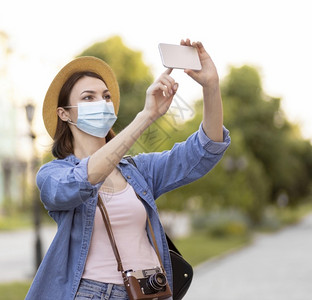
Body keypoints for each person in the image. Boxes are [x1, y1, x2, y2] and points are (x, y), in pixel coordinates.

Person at [25, 39, 231, 300]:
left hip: (150, 292)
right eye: (88, 97)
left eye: (106, 96)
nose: (102, 102)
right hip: (94, 294)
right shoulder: (52, 175)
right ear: (64, 114)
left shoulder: (137, 171)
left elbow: (203, 150)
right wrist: (146, 116)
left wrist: (211, 86)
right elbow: (84, 179)